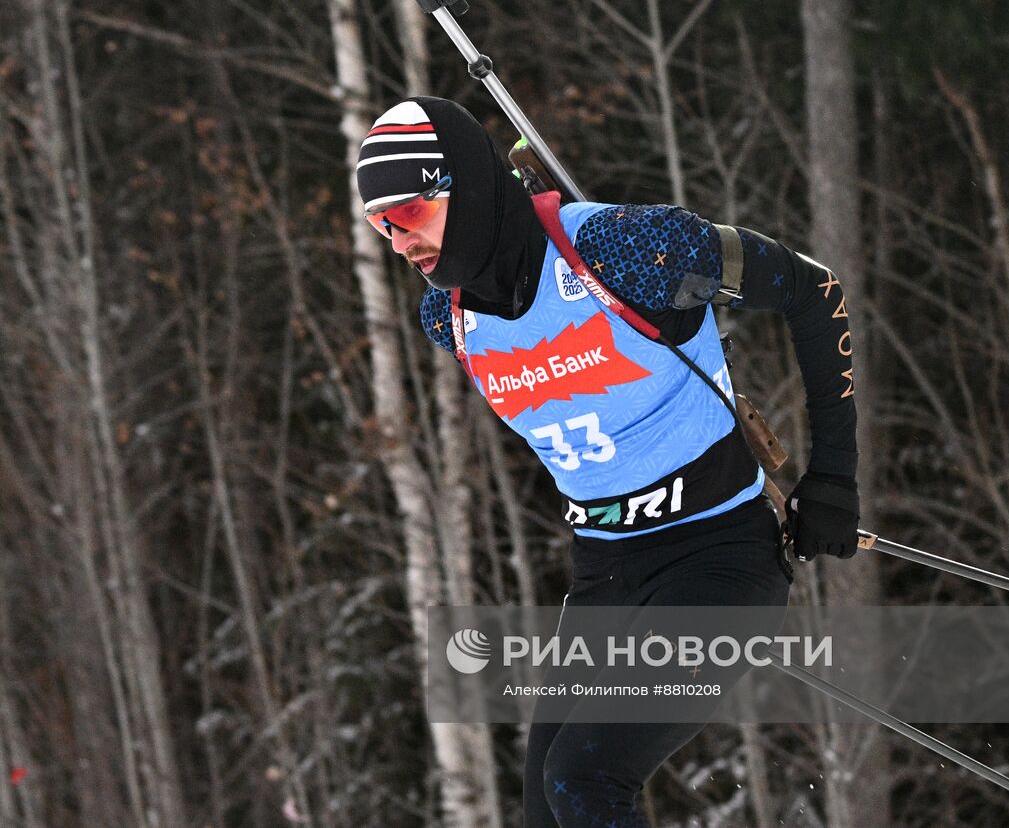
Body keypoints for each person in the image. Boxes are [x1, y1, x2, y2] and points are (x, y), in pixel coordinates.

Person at [356, 96, 860, 827]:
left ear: (459, 184)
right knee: (546, 807)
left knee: (582, 778)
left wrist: (835, 476)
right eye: (380, 225)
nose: (399, 244)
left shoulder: (632, 251)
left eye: (405, 215)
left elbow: (815, 289)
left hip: (721, 559)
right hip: (605, 578)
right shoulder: (449, 317)